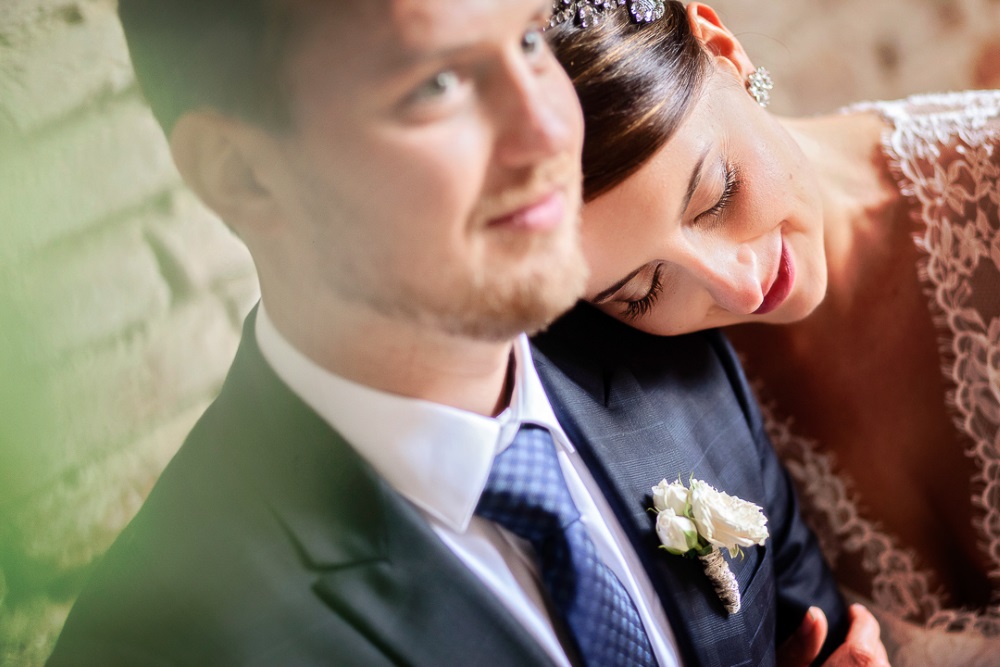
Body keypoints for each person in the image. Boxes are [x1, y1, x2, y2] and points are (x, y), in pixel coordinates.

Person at [45, 0, 881, 665]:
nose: (552, 130)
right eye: (438, 85)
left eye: (526, 38)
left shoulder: (666, 353)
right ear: (244, 174)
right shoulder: (165, 641)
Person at [546, 0, 1000, 664]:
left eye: (718, 194)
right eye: (643, 288)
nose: (735, 286)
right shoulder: (645, 403)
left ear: (723, 47)